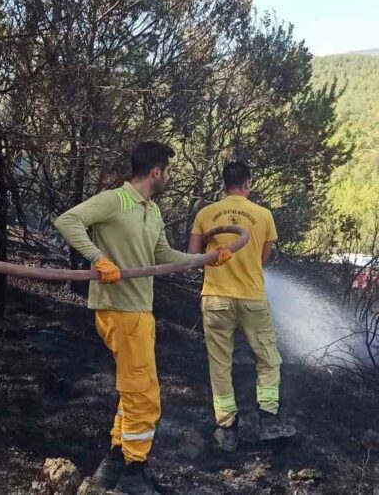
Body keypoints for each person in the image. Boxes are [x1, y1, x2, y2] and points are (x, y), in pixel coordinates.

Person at [55, 142, 232, 495]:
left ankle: (115, 463)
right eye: (167, 171)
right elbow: (68, 220)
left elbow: (163, 254)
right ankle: (135, 474)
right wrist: (98, 257)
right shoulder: (115, 200)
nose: (167, 177)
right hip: (120, 311)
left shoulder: (151, 211)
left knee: (132, 390)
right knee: (145, 395)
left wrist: (205, 260)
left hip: (140, 311)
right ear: (156, 172)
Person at [188, 160, 293, 451]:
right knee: (268, 358)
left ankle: (227, 428)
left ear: (224, 185)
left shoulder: (206, 213)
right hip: (252, 299)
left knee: (220, 364)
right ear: (248, 183)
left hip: (215, 300)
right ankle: (269, 419)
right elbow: (262, 259)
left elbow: (193, 257)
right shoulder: (263, 215)